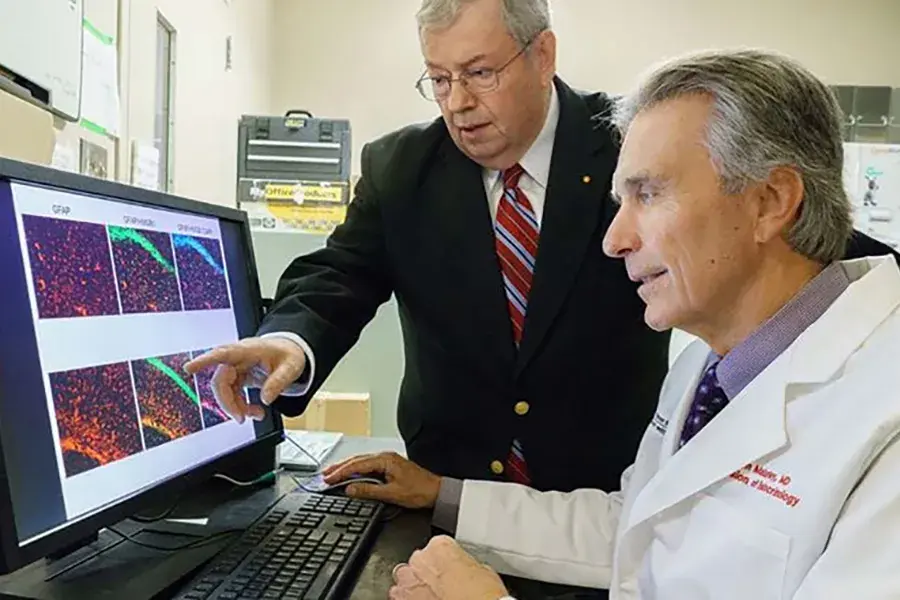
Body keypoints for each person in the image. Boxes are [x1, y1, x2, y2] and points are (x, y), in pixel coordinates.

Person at [325, 49, 900, 599]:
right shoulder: (713, 366)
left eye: (647, 194)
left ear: (770, 201)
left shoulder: (884, 423)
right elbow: (636, 526)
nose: (615, 239)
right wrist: (443, 495)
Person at [185, 0, 674, 499]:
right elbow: (341, 275)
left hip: (605, 500)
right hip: (443, 494)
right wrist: (292, 341)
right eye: (439, 79)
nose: (457, 102)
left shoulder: (628, 146)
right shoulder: (401, 167)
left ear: (543, 54)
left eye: (480, 73)